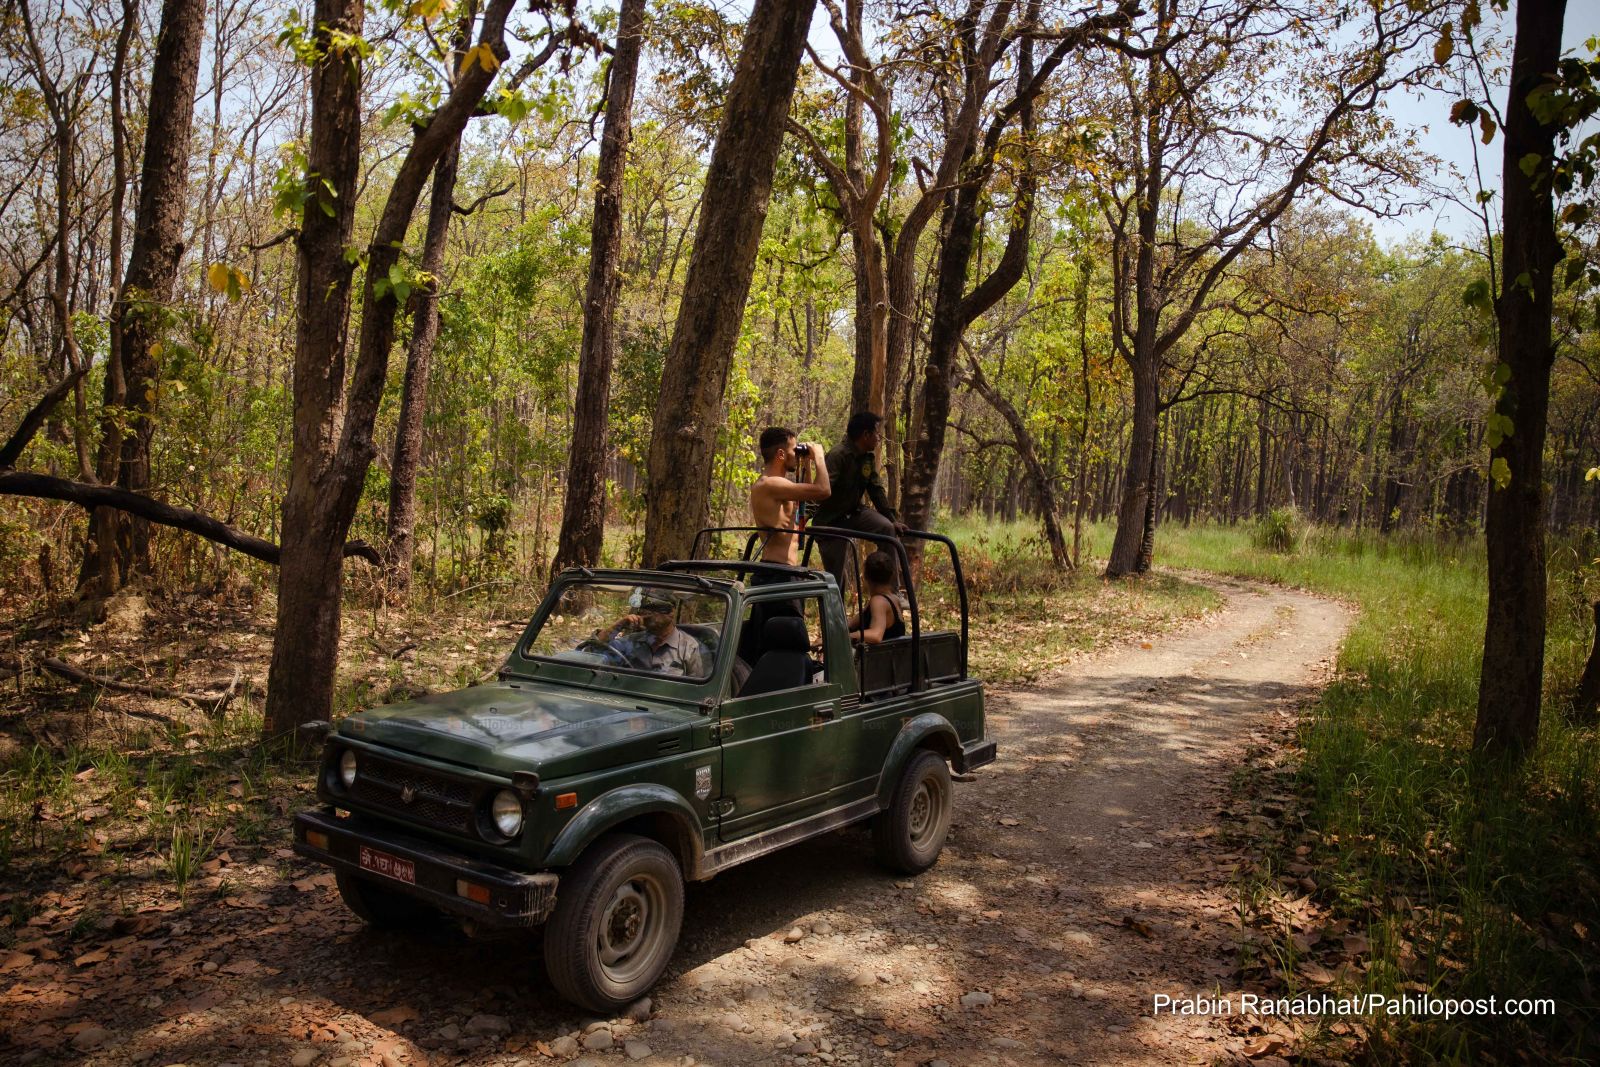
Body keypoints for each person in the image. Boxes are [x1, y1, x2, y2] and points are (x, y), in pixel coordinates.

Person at [814, 412, 905, 589]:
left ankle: (891, 592)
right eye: (877, 434)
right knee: (835, 578)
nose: (879, 438)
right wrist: (804, 520)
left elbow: (876, 490)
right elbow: (821, 490)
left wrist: (892, 520)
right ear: (865, 435)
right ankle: (835, 613)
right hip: (831, 520)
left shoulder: (867, 458)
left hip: (855, 513)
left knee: (887, 529)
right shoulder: (838, 455)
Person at [749, 426, 831, 566]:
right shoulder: (769, 484)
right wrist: (819, 456)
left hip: (783, 569)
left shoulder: (777, 485)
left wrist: (806, 464)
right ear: (781, 454)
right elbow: (823, 490)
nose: (797, 454)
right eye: (794, 450)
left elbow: (809, 497)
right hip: (775, 571)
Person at [591, 592, 707, 677]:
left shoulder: (688, 648)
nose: (646, 614)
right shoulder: (632, 641)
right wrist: (618, 625)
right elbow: (593, 650)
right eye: (644, 610)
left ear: (671, 613)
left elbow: (697, 691)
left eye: (654, 609)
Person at [847, 550, 907, 645]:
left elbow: (876, 635)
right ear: (891, 575)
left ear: (865, 576)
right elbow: (852, 623)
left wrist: (845, 637)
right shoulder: (893, 598)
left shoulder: (879, 601)